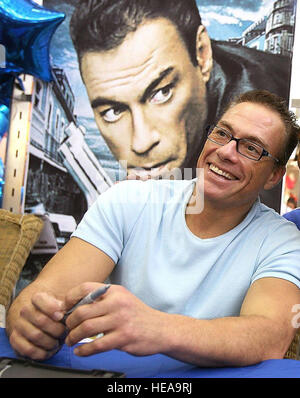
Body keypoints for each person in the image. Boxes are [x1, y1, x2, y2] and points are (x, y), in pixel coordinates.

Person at [5, 90, 300, 366]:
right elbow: (45, 294)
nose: (226, 152)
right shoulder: (129, 201)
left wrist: (158, 328)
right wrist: (29, 316)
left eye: (251, 148)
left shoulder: (282, 240)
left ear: (274, 175)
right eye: (222, 134)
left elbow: (269, 336)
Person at [68, 0, 292, 210]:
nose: (141, 143)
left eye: (162, 93)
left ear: (202, 56)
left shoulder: (256, 126)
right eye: (113, 111)